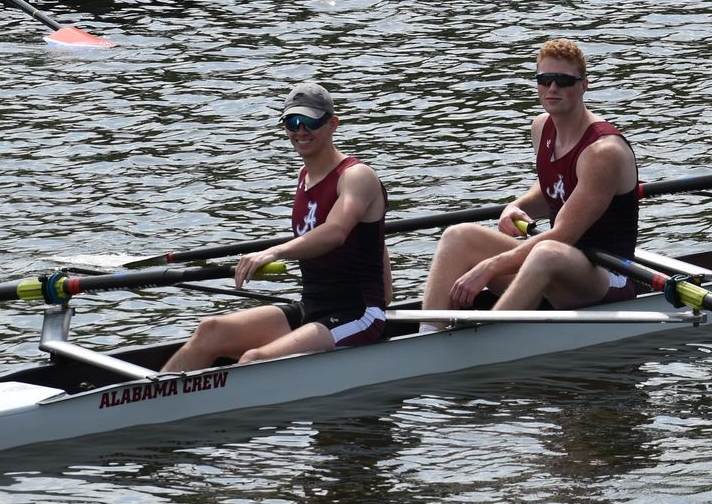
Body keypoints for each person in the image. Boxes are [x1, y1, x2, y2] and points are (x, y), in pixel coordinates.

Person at [162, 82, 390, 371]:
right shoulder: (304, 174)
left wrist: (274, 252)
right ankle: (145, 408)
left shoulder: (357, 176)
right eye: (292, 122)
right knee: (210, 330)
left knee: (254, 360)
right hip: (313, 305)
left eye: (311, 121)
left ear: (333, 124)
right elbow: (376, 240)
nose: (301, 130)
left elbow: (336, 232)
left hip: (357, 314)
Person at [420, 39, 641, 318]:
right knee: (457, 236)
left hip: (606, 277)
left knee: (546, 250)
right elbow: (551, 188)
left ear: (583, 85)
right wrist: (518, 205)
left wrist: (489, 267)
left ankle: (496, 345)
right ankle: (431, 334)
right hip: (558, 269)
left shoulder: (602, 151)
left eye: (563, 80)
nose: (553, 88)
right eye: (545, 79)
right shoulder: (541, 127)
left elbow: (563, 235)